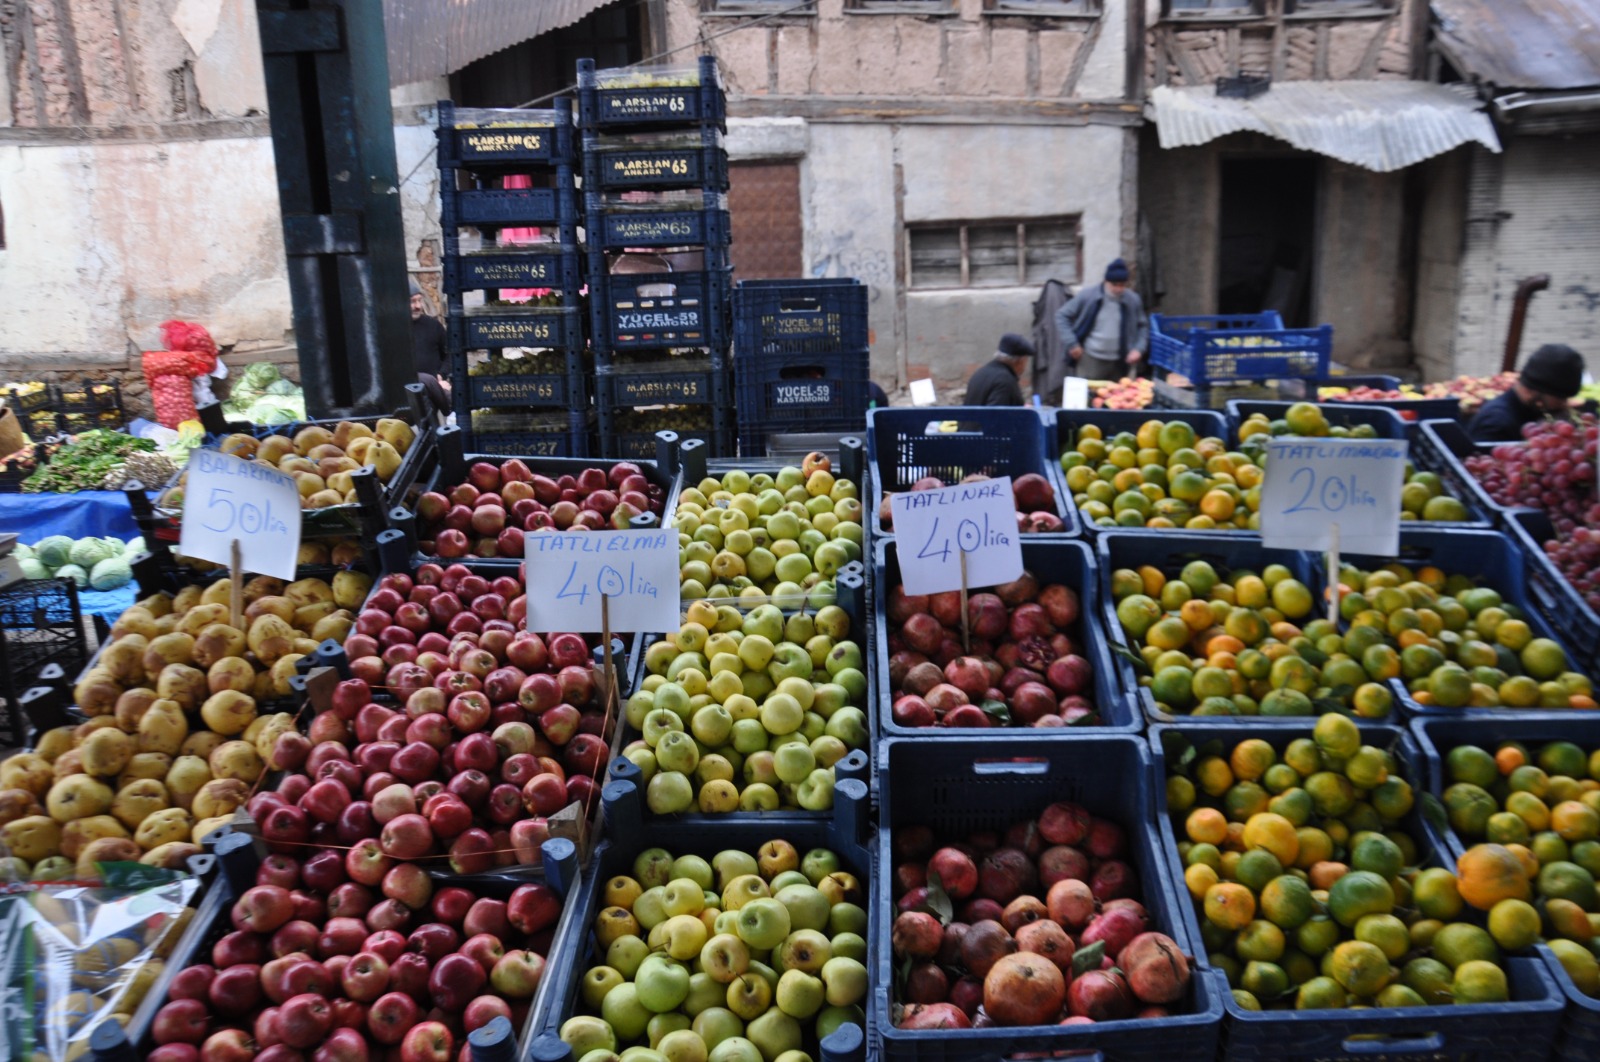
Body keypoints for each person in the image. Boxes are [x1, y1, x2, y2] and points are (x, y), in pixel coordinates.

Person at [1468, 344, 1587, 442]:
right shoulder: (1496, 424)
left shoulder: (1530, 412)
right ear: (1532, 391)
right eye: (1560, 399)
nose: (1564, 404)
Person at [1056, 258, 1149, 382]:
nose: (1118, 289)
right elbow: (1062, 315)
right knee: (1087, 398)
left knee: (1116, 398)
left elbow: (1143, 326)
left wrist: (1138, 349)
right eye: (1114, 285)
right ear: (1106, 281)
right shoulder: (1088, 296)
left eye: (1122, 285)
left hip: (1120, 361)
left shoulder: (1132, 300)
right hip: (1090, 359)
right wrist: (1072, 343)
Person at [410, 279, 450, 418]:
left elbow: (449, 355)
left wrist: (442, 375)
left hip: (434, 392)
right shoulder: (392, 329)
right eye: (412, 302)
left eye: (419, 301)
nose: (418, 306)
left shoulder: (433, 326)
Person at [964, 334, 1032, 406]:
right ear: (1020, 361)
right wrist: (1024, 414)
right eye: (1026, 360)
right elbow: (996, 414)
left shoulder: (980, 373)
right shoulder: (1005, 381)